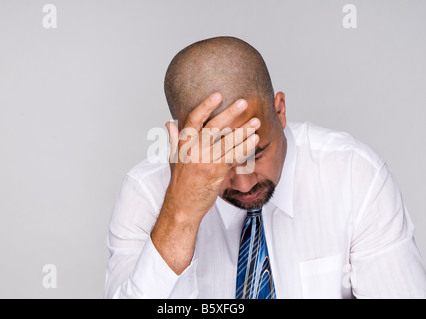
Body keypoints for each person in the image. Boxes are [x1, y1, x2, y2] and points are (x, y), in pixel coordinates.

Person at [104, 36, 426, 298]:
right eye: (220, 163)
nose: (244, 183)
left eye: (256, 154)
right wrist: (180, 214)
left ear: (280, 112)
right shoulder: (147, 193)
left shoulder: (354, 175)